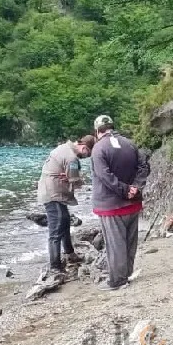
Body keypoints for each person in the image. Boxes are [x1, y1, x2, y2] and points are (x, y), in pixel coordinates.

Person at [91, 114, 150, 291]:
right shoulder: (129, 143)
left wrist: (124, 190)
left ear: (97, 131)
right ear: (112, 127)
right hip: (133, 203)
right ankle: (127, 273)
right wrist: (135, 187)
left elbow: (105, 176)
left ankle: (117, 280)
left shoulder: (98, 148)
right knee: (130, 241)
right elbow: (144, 166)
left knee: (115, 243)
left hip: (111, 204)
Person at [37, 135, 96, 273]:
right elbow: (75, 182)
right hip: (53, 194)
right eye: (88, 153)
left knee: (64, 223)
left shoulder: (63, 147)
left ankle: (70, 254)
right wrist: (79, 179)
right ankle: (55, 266)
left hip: (50, 191)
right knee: (56, 231)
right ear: (84, 147)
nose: (86, 157)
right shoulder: (72, 158)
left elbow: (69, 177)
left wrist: (70, 178)